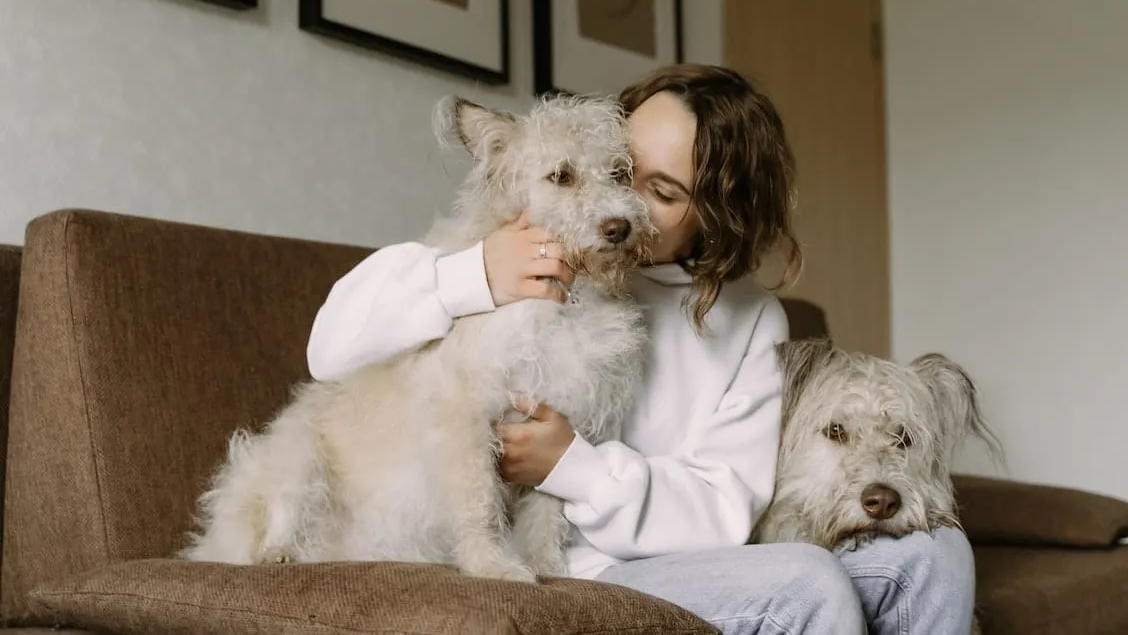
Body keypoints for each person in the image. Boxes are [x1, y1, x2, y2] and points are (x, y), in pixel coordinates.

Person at [305, 64, 976, 635]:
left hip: (669, 553)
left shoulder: (749, 320)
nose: (616, 203)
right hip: (569, 562)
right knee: (808, 581)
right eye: (621, 167)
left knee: (936, 555)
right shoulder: (522, 244)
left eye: (660, 193)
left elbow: (723, 508)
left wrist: (575, 466)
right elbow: (329, 348)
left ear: (717, 212)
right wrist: (473, 274)